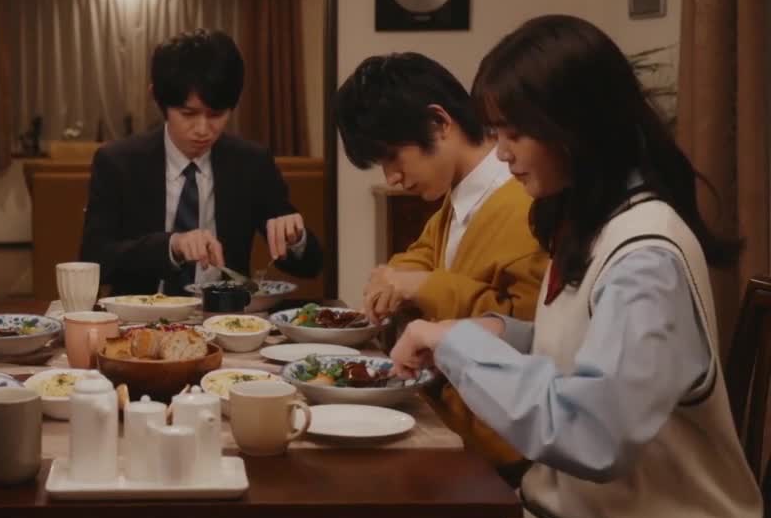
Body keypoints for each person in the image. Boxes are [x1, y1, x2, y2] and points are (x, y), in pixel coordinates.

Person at [389, 14, 761, 518]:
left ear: (576, 127)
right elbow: (590, 346)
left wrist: (458, 347)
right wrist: (498, 333)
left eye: (516, 133)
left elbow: (593, 433)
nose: (502, 153)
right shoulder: (589, 221)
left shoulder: (646, 256)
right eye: (498, 132)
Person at [333, 52, 546, 473]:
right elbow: (423, 253)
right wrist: (397, 276)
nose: (392, 177)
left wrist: (422, 287)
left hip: (497, 449)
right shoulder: (463, 194)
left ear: (439, 123)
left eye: (393, 156)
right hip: (456, 421)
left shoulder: (523, 205)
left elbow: (528, 331)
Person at [80, 28, 323, 296]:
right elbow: (94, 260)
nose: (203, 129)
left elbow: (311, 266)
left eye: (216, 114)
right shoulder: (119, 163)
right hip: (141, 314)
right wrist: (172, 246)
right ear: (158, 99)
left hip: (225, 316)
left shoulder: (251, 163)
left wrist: (296, 239)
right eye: (188, 114)